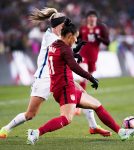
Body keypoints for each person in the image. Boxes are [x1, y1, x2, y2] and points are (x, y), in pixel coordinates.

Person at [0, 8, 110, 139]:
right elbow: (64, 51)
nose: (65, 27)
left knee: (83, 93)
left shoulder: (56, 35)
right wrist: (76, 52)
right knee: (30, 114)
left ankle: (93, 126)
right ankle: (5, 128)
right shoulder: (50, 37)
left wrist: (76, 50)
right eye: (63, 25)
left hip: (58, 76)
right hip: (44, 78)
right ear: (59, 26)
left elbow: (66, 51)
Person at [27, 19, 134, 145]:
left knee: (97, 105)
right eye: (75, 38)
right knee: (66, 119)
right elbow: (74, 67)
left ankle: (121, 132)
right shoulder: (65, 49)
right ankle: (36, 132)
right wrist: (90, 77)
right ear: (69, 36)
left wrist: (74, 52)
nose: (76, 41)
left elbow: (63, 56)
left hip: (63, 86)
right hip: (65, 88)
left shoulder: (54, 45)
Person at [79, 10, 110, 90]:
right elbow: (77, 39)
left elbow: (107, 42)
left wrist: (99, 38)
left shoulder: (101, 28)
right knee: (84, 75)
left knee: (86, 78)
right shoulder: (83, 28)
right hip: (83, 54)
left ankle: (82, 94)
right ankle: (80, 96)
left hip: (93, 56)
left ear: (96, 18)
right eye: (90, 17)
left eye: (93, 16)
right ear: (87, 18)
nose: (91, 18)